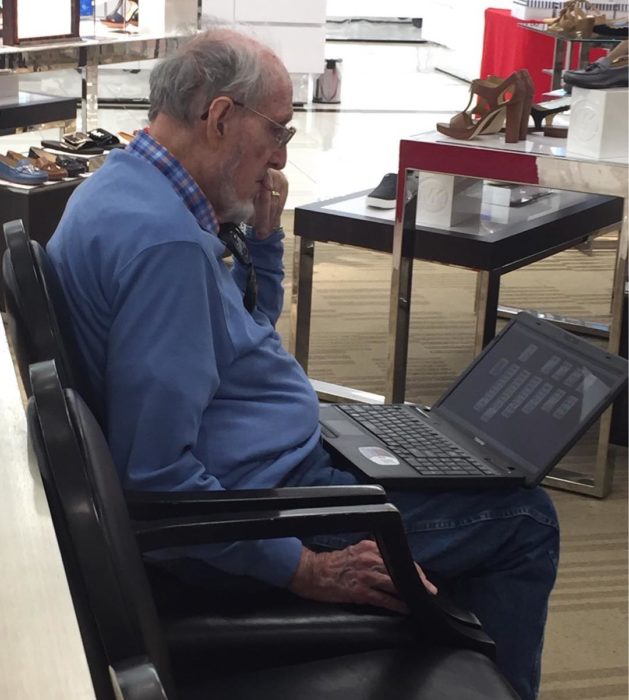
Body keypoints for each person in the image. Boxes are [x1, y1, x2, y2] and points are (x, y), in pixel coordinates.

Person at [47, 26, 559, 700]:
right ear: (222, 117)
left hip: (272, 467)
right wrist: (304, 570)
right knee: (523, 519)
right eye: (278, 133)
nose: (280, 158)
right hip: (267, 504)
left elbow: (237, 343)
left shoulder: (124, 190)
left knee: (466, 471)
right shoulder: (166, 246)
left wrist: (261, 241)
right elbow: (160, 477)